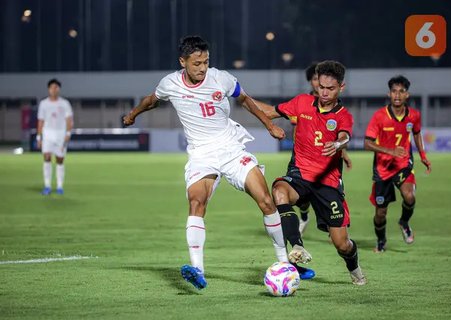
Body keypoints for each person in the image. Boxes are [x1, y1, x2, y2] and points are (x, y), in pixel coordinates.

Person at [122, 35, 288, 290]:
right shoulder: (170, 84)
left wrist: (269, 125)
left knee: (265, 200)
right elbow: (151, 100)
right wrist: (133, 114)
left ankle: (284, 262)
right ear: (183, 61)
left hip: (231, 148)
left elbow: (245, 100)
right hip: (201, 154)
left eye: (206, 62)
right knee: (196, 202)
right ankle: (198, 270)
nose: (202, 68)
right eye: (197, 63)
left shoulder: (220, 78)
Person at [255, 60, 366, 285]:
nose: (324, 92)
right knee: (279, 191)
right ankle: (297, 245)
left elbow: (345, 136)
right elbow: (267, 111)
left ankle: (355, 269)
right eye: (321, 87)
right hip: (299, 176)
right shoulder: (302, 102)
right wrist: (240, 96)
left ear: (341, 88)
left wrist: (338, 145)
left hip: (328, 184)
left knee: (342, 244)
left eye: (330, 88)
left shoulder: (344, 115)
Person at [364, 75, 431, 253]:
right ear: (389, 93)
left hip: (403, 164)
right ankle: (381, 240)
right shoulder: (379, 116)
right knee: (380, 213)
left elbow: (416, 133)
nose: (397, 95)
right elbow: (367, 143)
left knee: (409, 196)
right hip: (382, 169)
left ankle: (404, 222)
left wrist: (423, 155)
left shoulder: (414, 115)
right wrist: (390, 150)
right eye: (394, 91)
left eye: (401, 91)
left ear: (407, 95)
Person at [297, 63, 352, 236]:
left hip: (328, 161)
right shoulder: (304, 102)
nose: (319, 85)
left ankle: (334, 224)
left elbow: (338, 135)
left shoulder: (335, 107)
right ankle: (304, 215)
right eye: (315, 81)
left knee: (330, 189)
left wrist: (342, 151)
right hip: (306, 156)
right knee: (301, 198)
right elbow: (297, 129)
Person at [36, 79, 73, 195]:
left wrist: (68, 133)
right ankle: (47, 186)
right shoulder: (44, 104)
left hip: (60, 134)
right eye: (52, 87)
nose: (54, 89)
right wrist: (39, 137)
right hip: (47, 134)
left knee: (60, 160)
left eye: (56, 87)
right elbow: (41, 121)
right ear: (48, 89)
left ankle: (59, 186)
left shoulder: (64, 103)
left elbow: (69, 120)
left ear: (59, 89)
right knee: (46, 157)